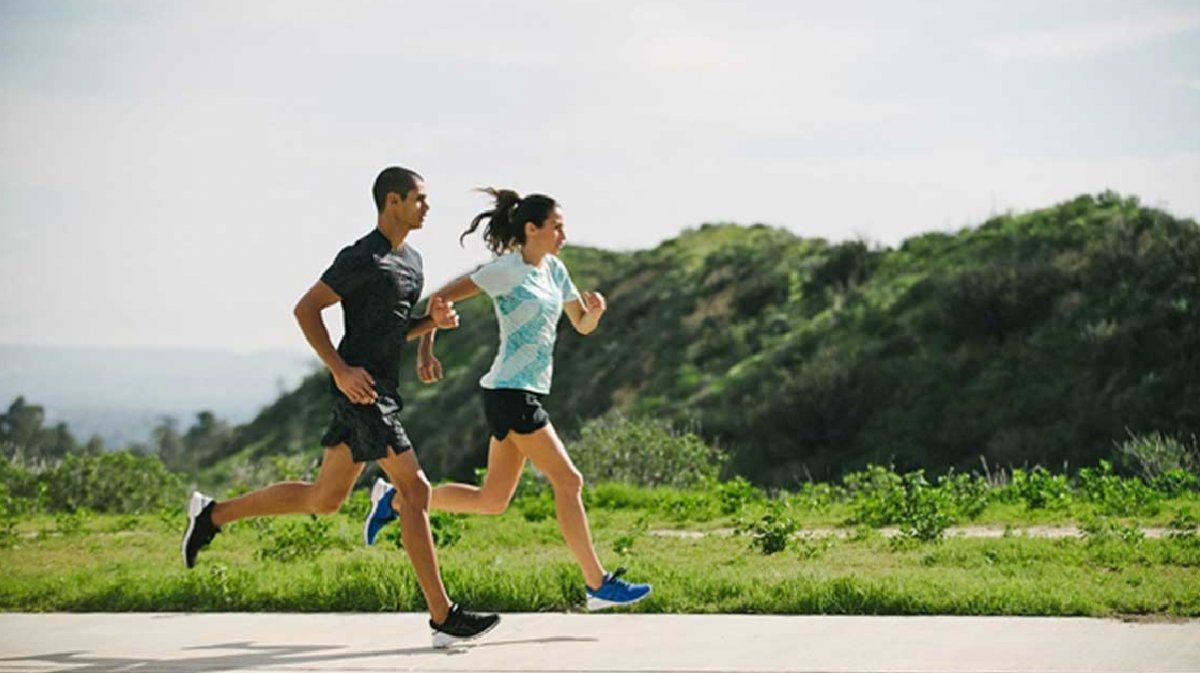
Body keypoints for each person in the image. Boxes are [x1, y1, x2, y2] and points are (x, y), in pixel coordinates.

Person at [180, 167, 500, 649]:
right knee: (414, 491)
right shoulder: (361, 257)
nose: (427, 207)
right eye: (420, 198)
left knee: (324, 499)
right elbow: (306, 309)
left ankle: (212, 516)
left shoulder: (412, 262)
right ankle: (443, 617)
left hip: (382, 388)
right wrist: (338, 369)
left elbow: (393, 329)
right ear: (392, 200)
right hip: (361, 390)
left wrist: (429, 325)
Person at [362, 188, 651, 611]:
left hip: (519, 391)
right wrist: (426, 349)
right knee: (569, 481)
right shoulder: (506, 270)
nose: (563, 234)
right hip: (511, 394)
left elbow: (581, 324)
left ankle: (392, 499)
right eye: (557, 226)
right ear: (532, 229)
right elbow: (438, 302)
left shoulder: (554, 271)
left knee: (491, 501)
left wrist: (595, 312)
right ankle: (597, 583)